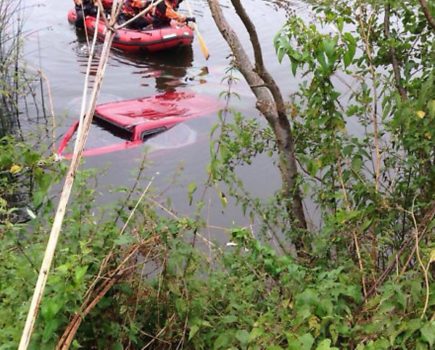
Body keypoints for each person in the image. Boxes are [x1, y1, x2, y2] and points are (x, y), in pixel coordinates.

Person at [120, 0, 195, 29]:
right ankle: (133, 28)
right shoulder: (163, 4)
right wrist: (187, 18)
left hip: (164, 19)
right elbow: (174, 15)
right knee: (144, 22)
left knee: (147, 19)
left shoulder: (169, 2)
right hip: (130, 17)